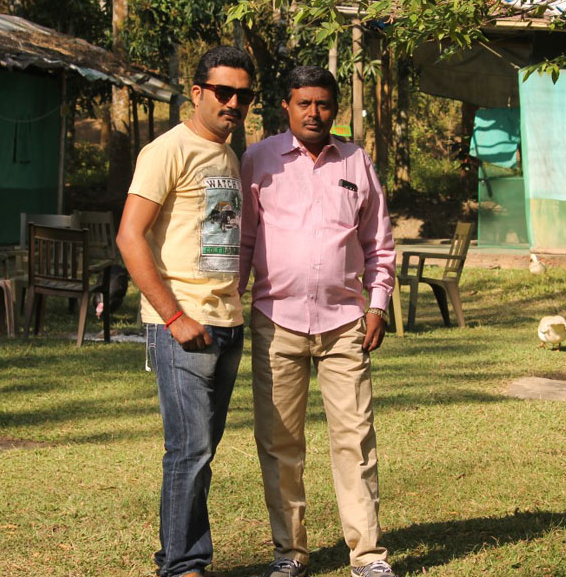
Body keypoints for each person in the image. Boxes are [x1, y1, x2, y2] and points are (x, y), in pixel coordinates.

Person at [238, 66, 398, 577]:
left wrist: (377, 305)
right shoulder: (258, 160)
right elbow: (242, 240)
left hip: (345, 324)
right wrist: (226, 302)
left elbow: (378, 244)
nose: (313, 113)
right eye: (303, 103)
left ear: (335, 109)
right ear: (286, 106)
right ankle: (289, 552)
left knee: (355, 439)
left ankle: (368, 556)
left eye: (323, 104)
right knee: (279, 443)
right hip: (275, 323)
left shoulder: (356, 161)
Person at [116, 45, 256, 577]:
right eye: (223, 92)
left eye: (243, 95)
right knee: (189, 451)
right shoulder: (166, 151)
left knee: (201, 453)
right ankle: (182, 566)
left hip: (226, 321)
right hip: (182, 326)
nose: (233, 103)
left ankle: (179, 556)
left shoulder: (228, 155)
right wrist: (175, 317)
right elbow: (130, 237)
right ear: (197, 92)